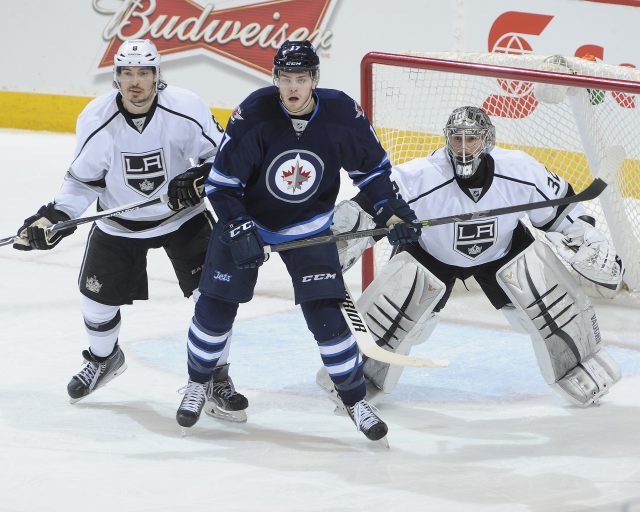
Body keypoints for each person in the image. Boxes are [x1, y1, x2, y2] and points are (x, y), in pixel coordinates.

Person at [169, 40, 421, 442]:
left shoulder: (341, 113)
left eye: (300, 79)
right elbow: (221, 185)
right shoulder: (254, 113)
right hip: (248, 221)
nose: (292, 88)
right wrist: (236, 227)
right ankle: (198, 382)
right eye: (285, 79)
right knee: (216, 306)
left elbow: (373, 174)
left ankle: (355, 400)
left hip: (307, 227)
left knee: (326, 317)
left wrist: (394, 214)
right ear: (276, 79)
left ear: (314, 80)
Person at [319, 105, 624, 408]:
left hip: (501, 251)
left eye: (472, 139)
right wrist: (334, 248)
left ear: (487, 140)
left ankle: (583, 364)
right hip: (432, 253)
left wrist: (588, 242)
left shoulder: (519, 170)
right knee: (402, 303)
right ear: (446, 140)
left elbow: (563, 211)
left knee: (545, 292)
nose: (463, 148)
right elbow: (369, 208)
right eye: (457, 139)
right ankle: (357, 375)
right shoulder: (420, 176)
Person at [13, 39, 224, 404]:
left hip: (182, 218)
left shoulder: (186, 108)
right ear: (116, 78)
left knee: (214, 297)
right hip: (119, 222)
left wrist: (200, 177)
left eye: (144, 73)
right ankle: (104, 358)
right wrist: (56, 217)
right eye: (127, 73)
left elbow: (224, 157)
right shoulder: (95, 119)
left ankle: (217, 375)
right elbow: (82, 182)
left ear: (158, 76)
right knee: (95, 302)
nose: (135, 82)